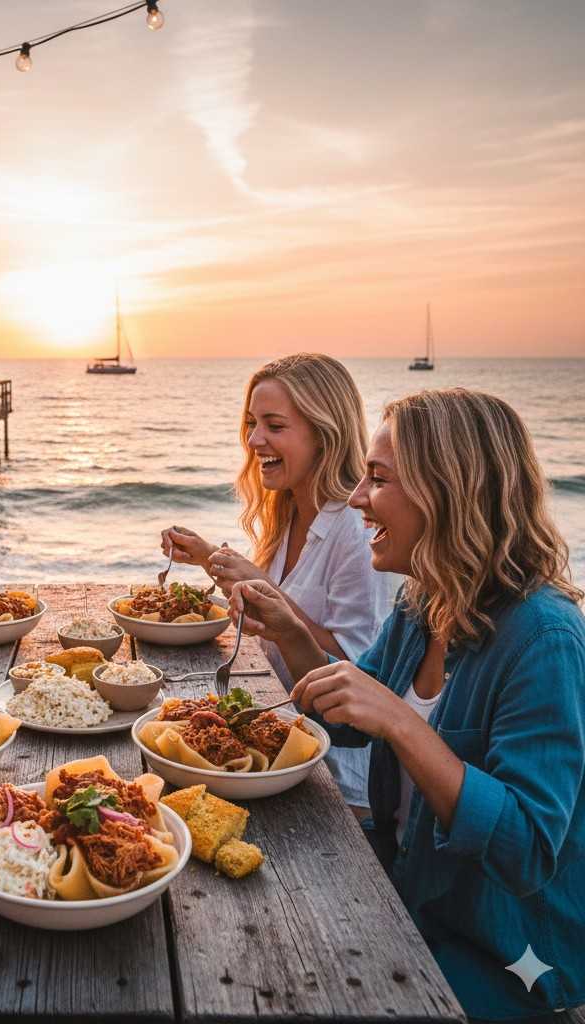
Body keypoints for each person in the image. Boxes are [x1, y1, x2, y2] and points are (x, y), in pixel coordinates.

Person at [229, 388, 585, 1022]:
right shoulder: (424, 602)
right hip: (409, 885)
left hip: (498, 950)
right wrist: (287, 628)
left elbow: (528, 847)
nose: (359, 498)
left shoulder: (545, 638)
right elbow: (348, 719)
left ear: (446, 491)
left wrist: (398, 719)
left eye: (379, 479)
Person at [162, 353, 396, 814]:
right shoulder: (289, 511)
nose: (253, 440)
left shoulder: (357, 530)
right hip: (282, 747)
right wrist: (211, 558)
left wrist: (266, 589)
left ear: (323, 434)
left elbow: (357, 668)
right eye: (252, 423)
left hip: (339, 784)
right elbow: (276, 606)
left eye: (274, 425)